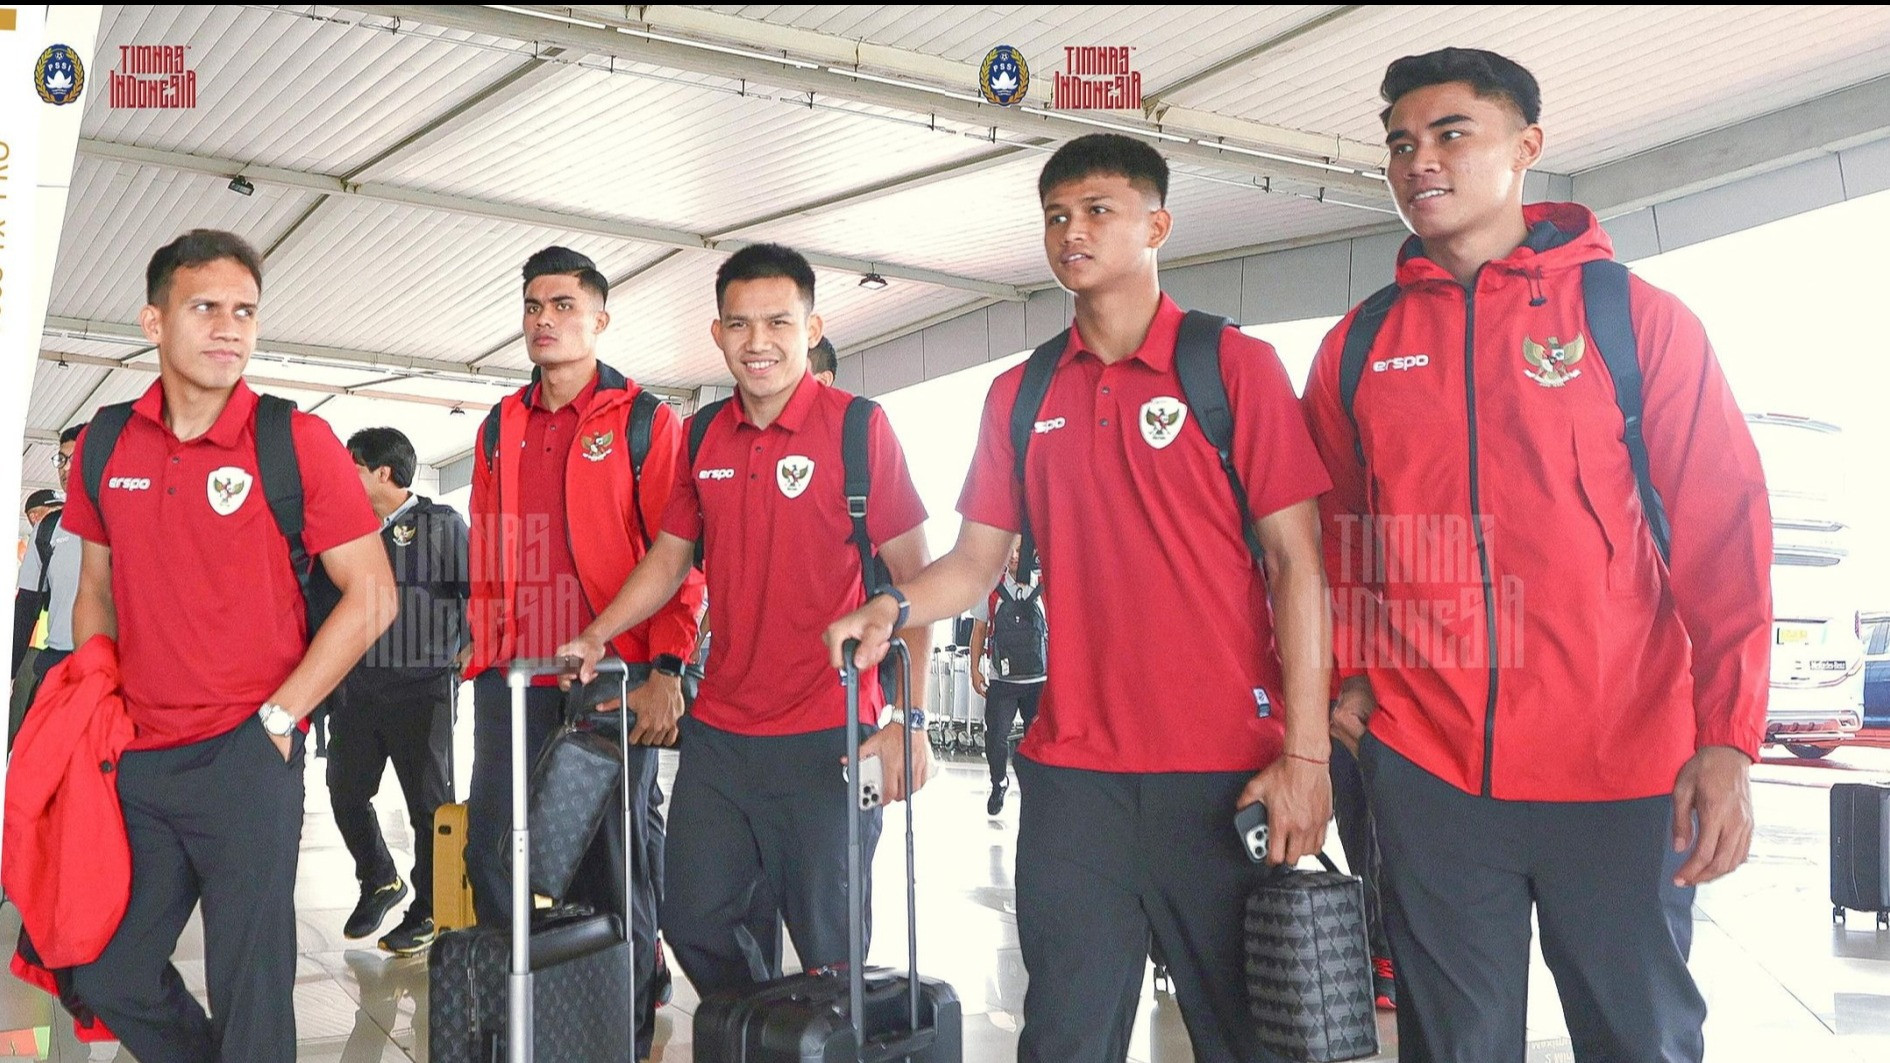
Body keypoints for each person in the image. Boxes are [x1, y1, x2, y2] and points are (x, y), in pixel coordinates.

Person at [1300, 48, 1771, 1060]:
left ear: (1527, 148)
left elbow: (1724, 538)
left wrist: (1727, 735)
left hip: (1624, 768)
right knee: (1451, 1045)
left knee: (1638, 1037)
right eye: (1399, 144)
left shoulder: (1634, 322)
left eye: (1449, 133)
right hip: (1429, 771)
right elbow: (1328, 545)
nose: (1418, 160)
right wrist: (1347, 675)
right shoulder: (1356, 349)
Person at [826, 133, 1334, 1063]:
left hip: (1222, 773)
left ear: (1157, 225)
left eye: (1099, 209)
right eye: (1057, 215)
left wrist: (1308, 752)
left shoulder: (1234, 369)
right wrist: (894, 606)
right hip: (1072, 781)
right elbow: (977, 561)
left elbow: (1299, 564)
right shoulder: (1021, 395)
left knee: (1253, 1042)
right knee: (1061, 1038)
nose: (1073, 231)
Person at [558, 242, 935, 996]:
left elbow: (917, 582)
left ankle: (808, 1035)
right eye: (740, 324)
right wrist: (600, 631)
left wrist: (913, 719)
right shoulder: (701, 436)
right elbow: (671, 558)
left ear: (811, 325)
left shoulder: (859, 429)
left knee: (832, 950)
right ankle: (761, 1030)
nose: (758, 342)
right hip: (725, 736)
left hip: (833, 734)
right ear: (717, 333)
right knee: (694, 916)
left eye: (778, 322)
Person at [61, 229, 394, 1063]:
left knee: (252, 990)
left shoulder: (294, 440)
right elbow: (95, 589)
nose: (229, 328)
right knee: (107, 970)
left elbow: (373, 594)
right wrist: (99, 704)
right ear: (153, 320)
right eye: (205, 307)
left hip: (249, 755)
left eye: (244, 311)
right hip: (137, 759)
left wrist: (282, 716)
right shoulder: (104, 442)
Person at [461, 245, 703, 1049]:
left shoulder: (642, 420)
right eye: (533, 306)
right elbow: (489, 549)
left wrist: (667, 664)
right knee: (495, 851)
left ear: (600, 317)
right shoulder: (501, 424)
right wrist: (481, 653)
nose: (544, 320)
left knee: (610, 860)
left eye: (563, 305)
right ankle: (522, 1015)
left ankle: (621, 1024)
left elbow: (681, 556)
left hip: (612, 677)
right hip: (513, 677)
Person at [327, 426, 470, 955]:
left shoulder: (441, 524)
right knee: (344, 790)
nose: (345, 476)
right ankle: (380, 878)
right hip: (358, 688)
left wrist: (465, 656)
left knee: (429, 807)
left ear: (381, 473)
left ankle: (432, 909)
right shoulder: (348, 529)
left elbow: (479, 591)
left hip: (422, 690)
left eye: (353, 467)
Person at [967, 544, 1044, 815]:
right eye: (1009, 549)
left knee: (1038, 740)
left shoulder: (1046, 584)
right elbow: (979, 630)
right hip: (1002, 680)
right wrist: (975, 669)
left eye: (1019, 550)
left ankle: (1036, 792)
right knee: (996, 737)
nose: (1013, 556)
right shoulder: (990, 585)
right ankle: (999, 782)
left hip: (1039, 680)